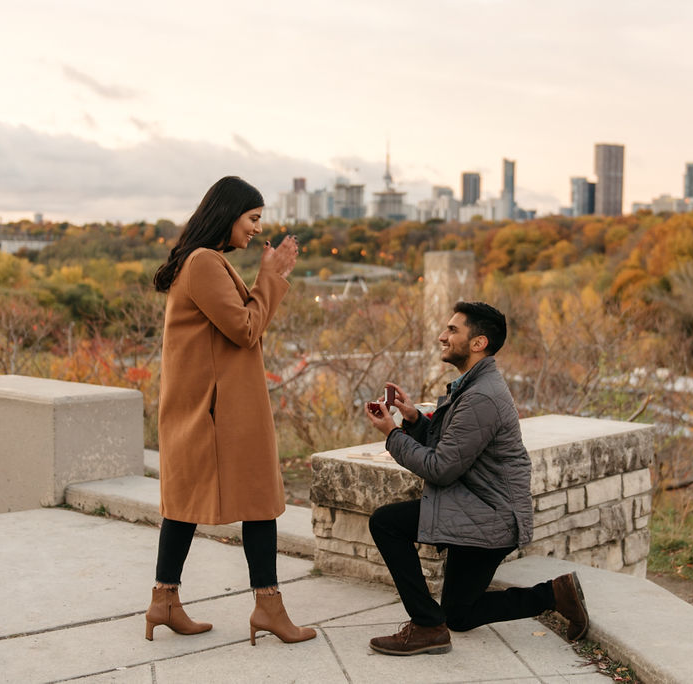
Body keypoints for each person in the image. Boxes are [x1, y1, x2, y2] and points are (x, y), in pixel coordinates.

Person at [144, 176, 315, 647]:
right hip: (219, 412)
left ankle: (165, 600)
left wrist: (268, 277)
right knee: (259, 502)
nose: (258, 230)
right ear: (228, 214)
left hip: (209, 406)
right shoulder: (203, 263)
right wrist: (272, 276)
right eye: (253, 218)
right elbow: (244, 330)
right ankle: (268, 607)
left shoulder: (204, 261)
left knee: (184, 504)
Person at [362, 301, 589, 656]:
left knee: (387, 523)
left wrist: (392, 435)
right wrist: (412, 421)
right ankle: (555, 595)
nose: (442, 336)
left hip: (489, 515)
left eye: (452, 330)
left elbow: (441, 467)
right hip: (476, 506)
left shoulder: (482, 395)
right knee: (460, 614)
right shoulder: (473, 386)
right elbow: (453, 448)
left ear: (479, 342)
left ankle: (426, 626)